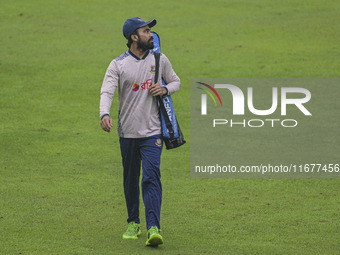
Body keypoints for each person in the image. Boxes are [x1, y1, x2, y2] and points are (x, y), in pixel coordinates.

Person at [99, 17, 180, 246]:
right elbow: (107, 92)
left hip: (153, 132)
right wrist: (104, 114)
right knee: (130, 179)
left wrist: (164, 89)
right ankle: (133, 222)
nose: (151, 34)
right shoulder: (118, 64)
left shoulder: (159, 59)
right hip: (127, 133)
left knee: (151, 177)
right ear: (134, 37)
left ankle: (154, 226)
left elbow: (176, 82)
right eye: (146, 31)